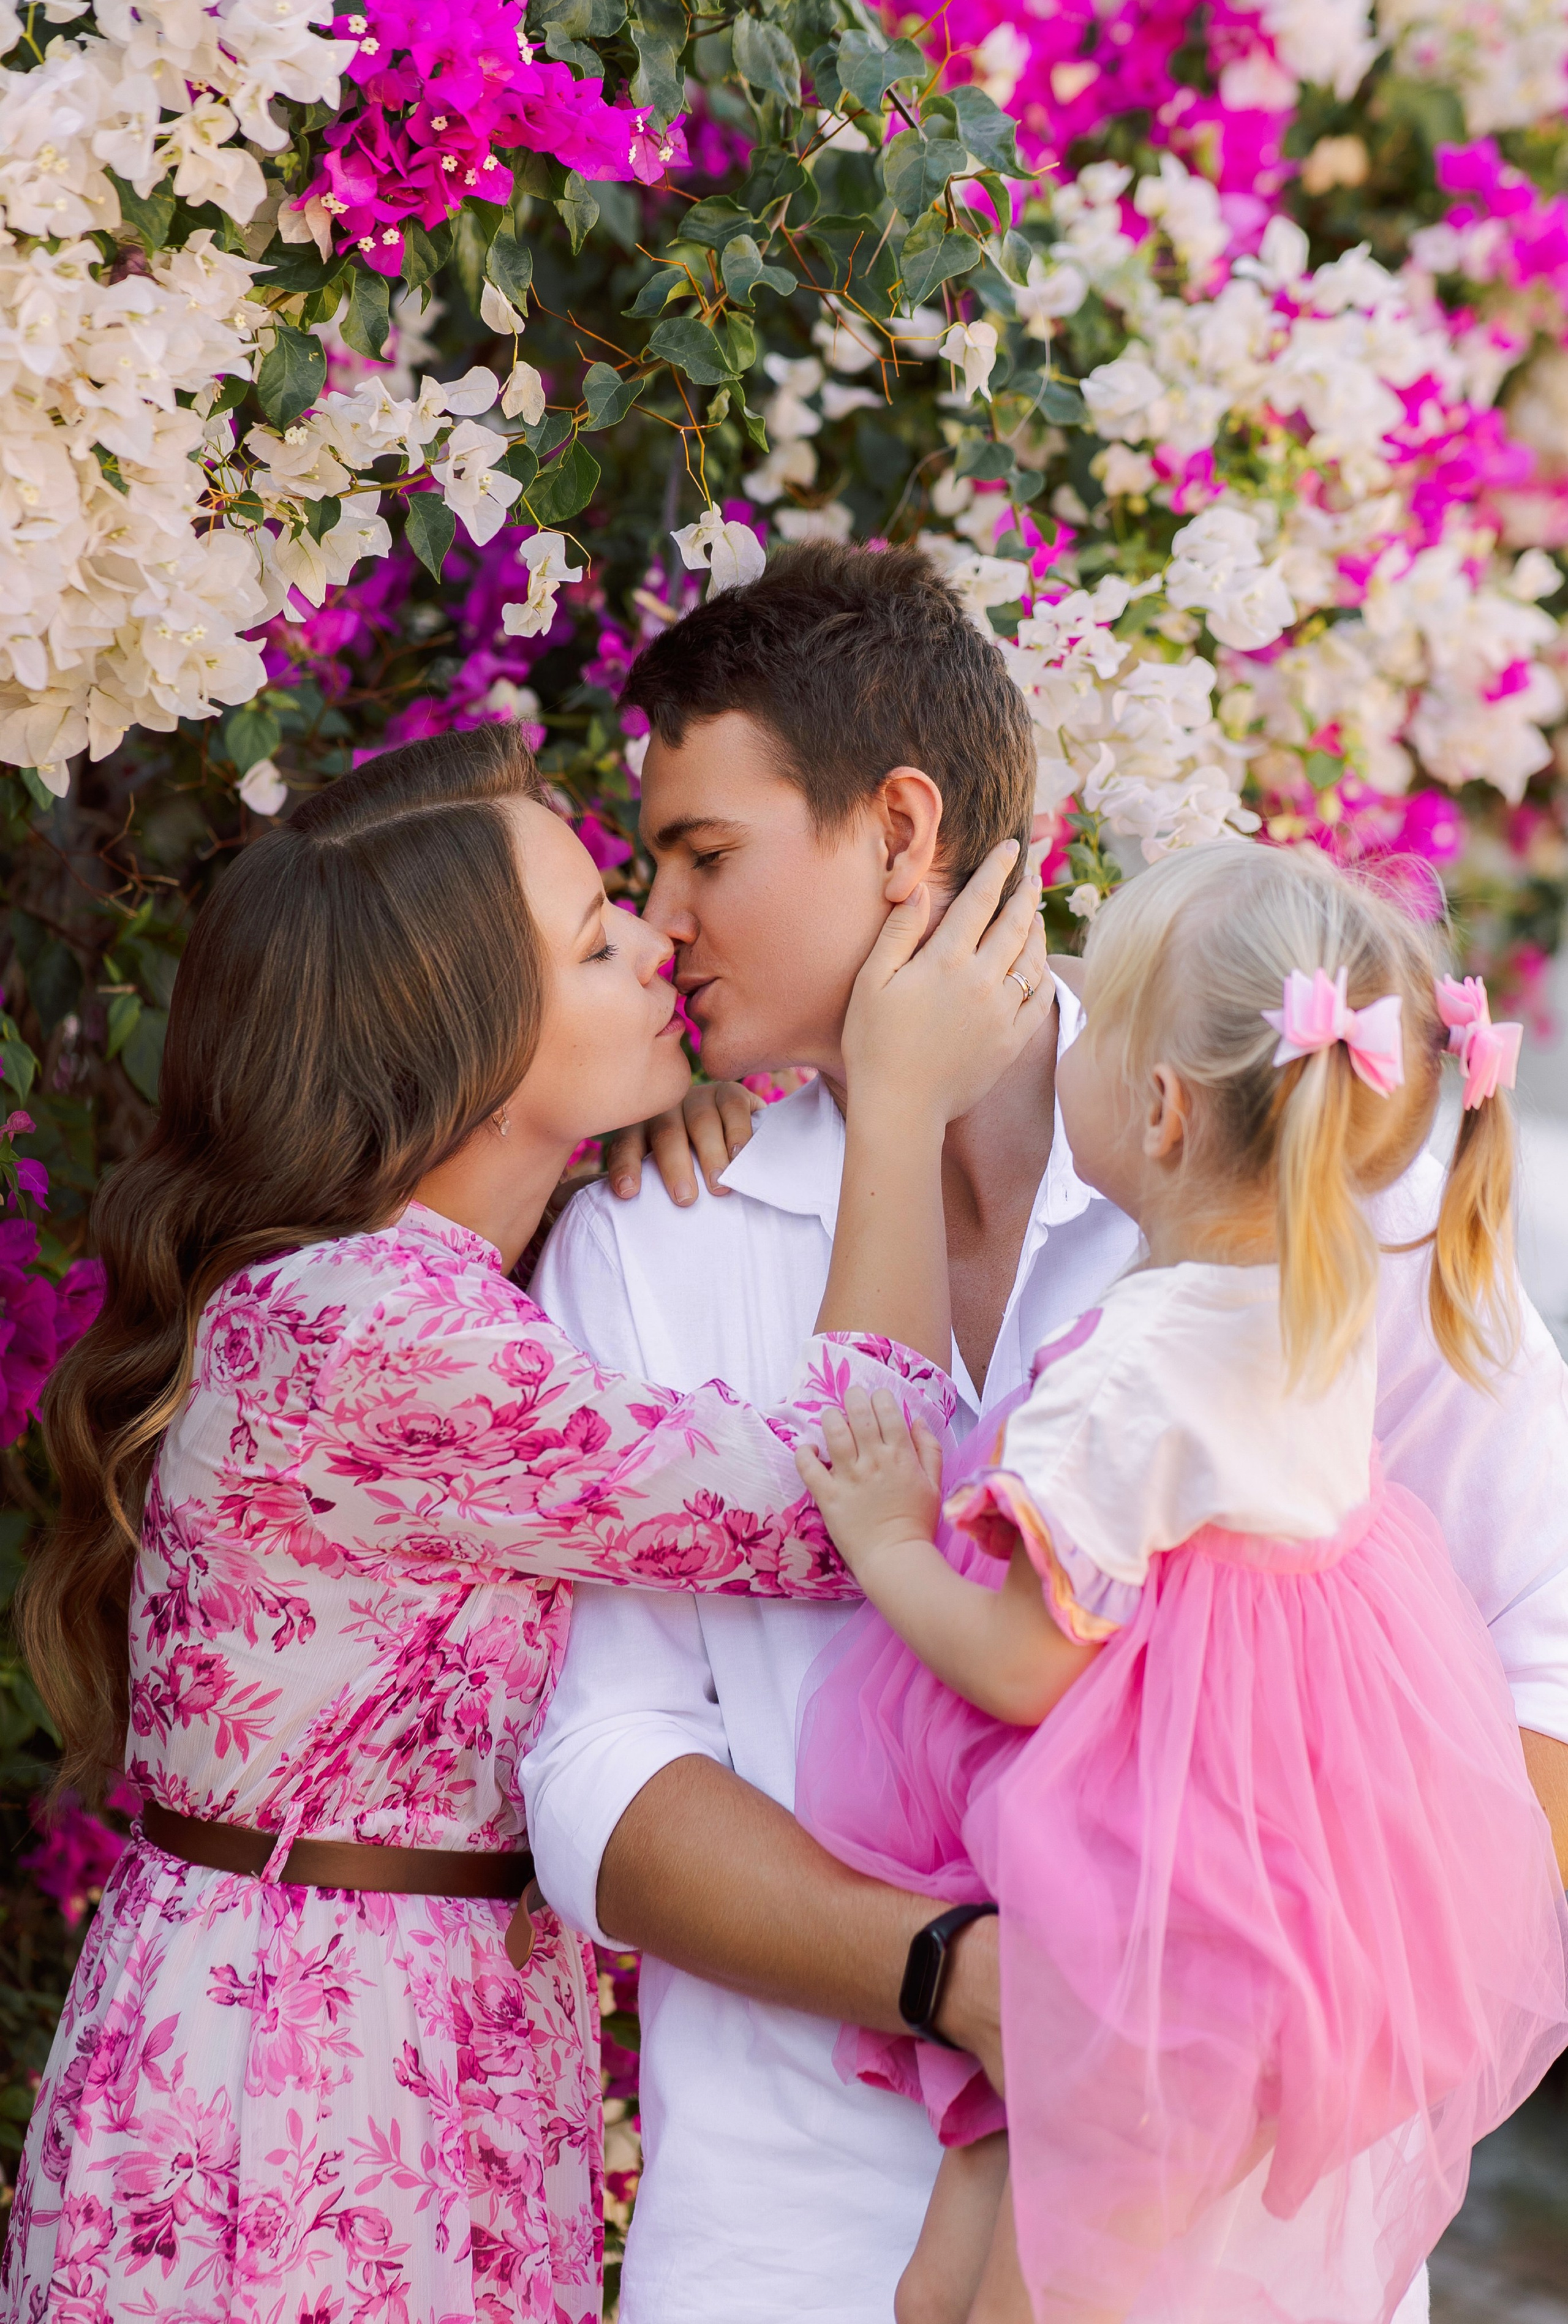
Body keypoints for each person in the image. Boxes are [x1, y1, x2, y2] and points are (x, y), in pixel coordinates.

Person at [519, 541, 1568, 2324]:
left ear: (903, 829)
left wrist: (1263, 2053)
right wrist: (969, 1981)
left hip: (1237, 2240)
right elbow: (596, 1773)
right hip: (783, 2237)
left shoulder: (1326, 1196)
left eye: (707, 855)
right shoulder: (650, 1238)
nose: (666, 920)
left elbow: (1540, 1667)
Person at [2, 723, 1047, 2324]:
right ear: (468, 1045)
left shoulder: (396, 1294)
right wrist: (893, 1116)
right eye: (596, 938)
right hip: (305, 2097)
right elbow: (837, 1504)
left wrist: (652, 1118)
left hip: (398, 2053)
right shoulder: (375, 1330)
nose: (660, 941)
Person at [794, 838, 1568, 2324]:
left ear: (1154, 1108)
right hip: (1273, 1870)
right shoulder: (1312, 1305)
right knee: (942, 2292)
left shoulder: (1134, 1375)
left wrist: (887, 1539)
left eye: (1093, 1028)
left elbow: (1028, 1666)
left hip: (1152, 1897)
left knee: (1034, 2301)